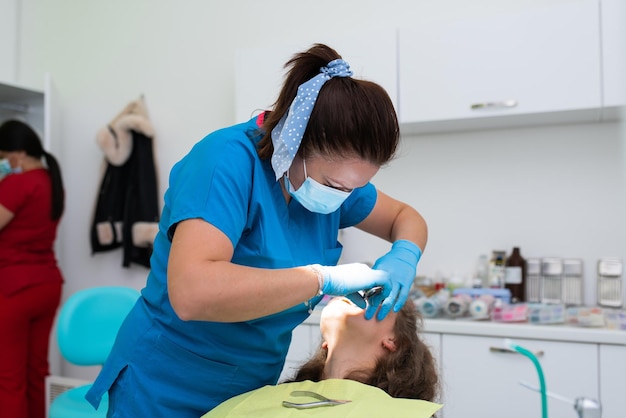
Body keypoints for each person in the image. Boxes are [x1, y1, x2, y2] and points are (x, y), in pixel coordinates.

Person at [86, 43, 428, 417]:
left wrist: (404, 255)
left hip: (250, 386)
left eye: (354, 188)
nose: (344, 197)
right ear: (294, 143)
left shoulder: (338, 187)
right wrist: (321, 279)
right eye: (335, 184)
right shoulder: (224, 163)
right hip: (166, 384)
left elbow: (405, 218)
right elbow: (192, 293)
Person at [202, 297, 440, 417]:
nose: (355, 293)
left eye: (374, 294)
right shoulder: (253, 402)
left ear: (394, 341)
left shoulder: (405, 414)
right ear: (326, 342)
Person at [0, 120, 65, 418]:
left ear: (15, 155)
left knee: (8, 379)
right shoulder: (51, 180)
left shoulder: (16, 184)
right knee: (37, 371)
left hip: (14, 288)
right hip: (47, 285)